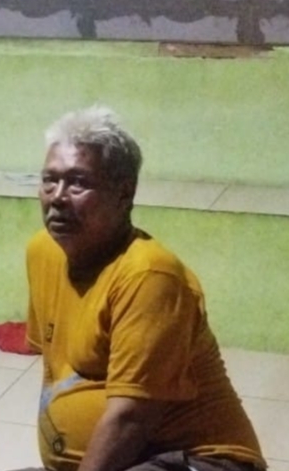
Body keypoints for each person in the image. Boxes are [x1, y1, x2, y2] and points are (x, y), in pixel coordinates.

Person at [26, 105, 266, 471]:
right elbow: (55, 371)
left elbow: (131, 420)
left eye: (78, 182)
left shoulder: (149, 277)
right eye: (49, 180)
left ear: (124, 194)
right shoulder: (42, 252)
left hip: (201, 460)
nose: (57, 197)